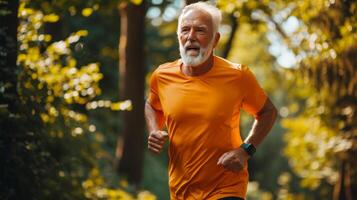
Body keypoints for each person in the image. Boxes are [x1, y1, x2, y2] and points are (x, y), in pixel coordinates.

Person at [145, 2, 277, 200]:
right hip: (182, 189)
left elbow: (268, 112)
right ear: (179, 37)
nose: (191, 37)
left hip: (227, 187)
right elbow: (151, 106)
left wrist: (245, 150)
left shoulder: (238, 76)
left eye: (200, 30)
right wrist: (154, 130)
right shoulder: (162, 76)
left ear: (215, 40)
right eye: (185, 30)